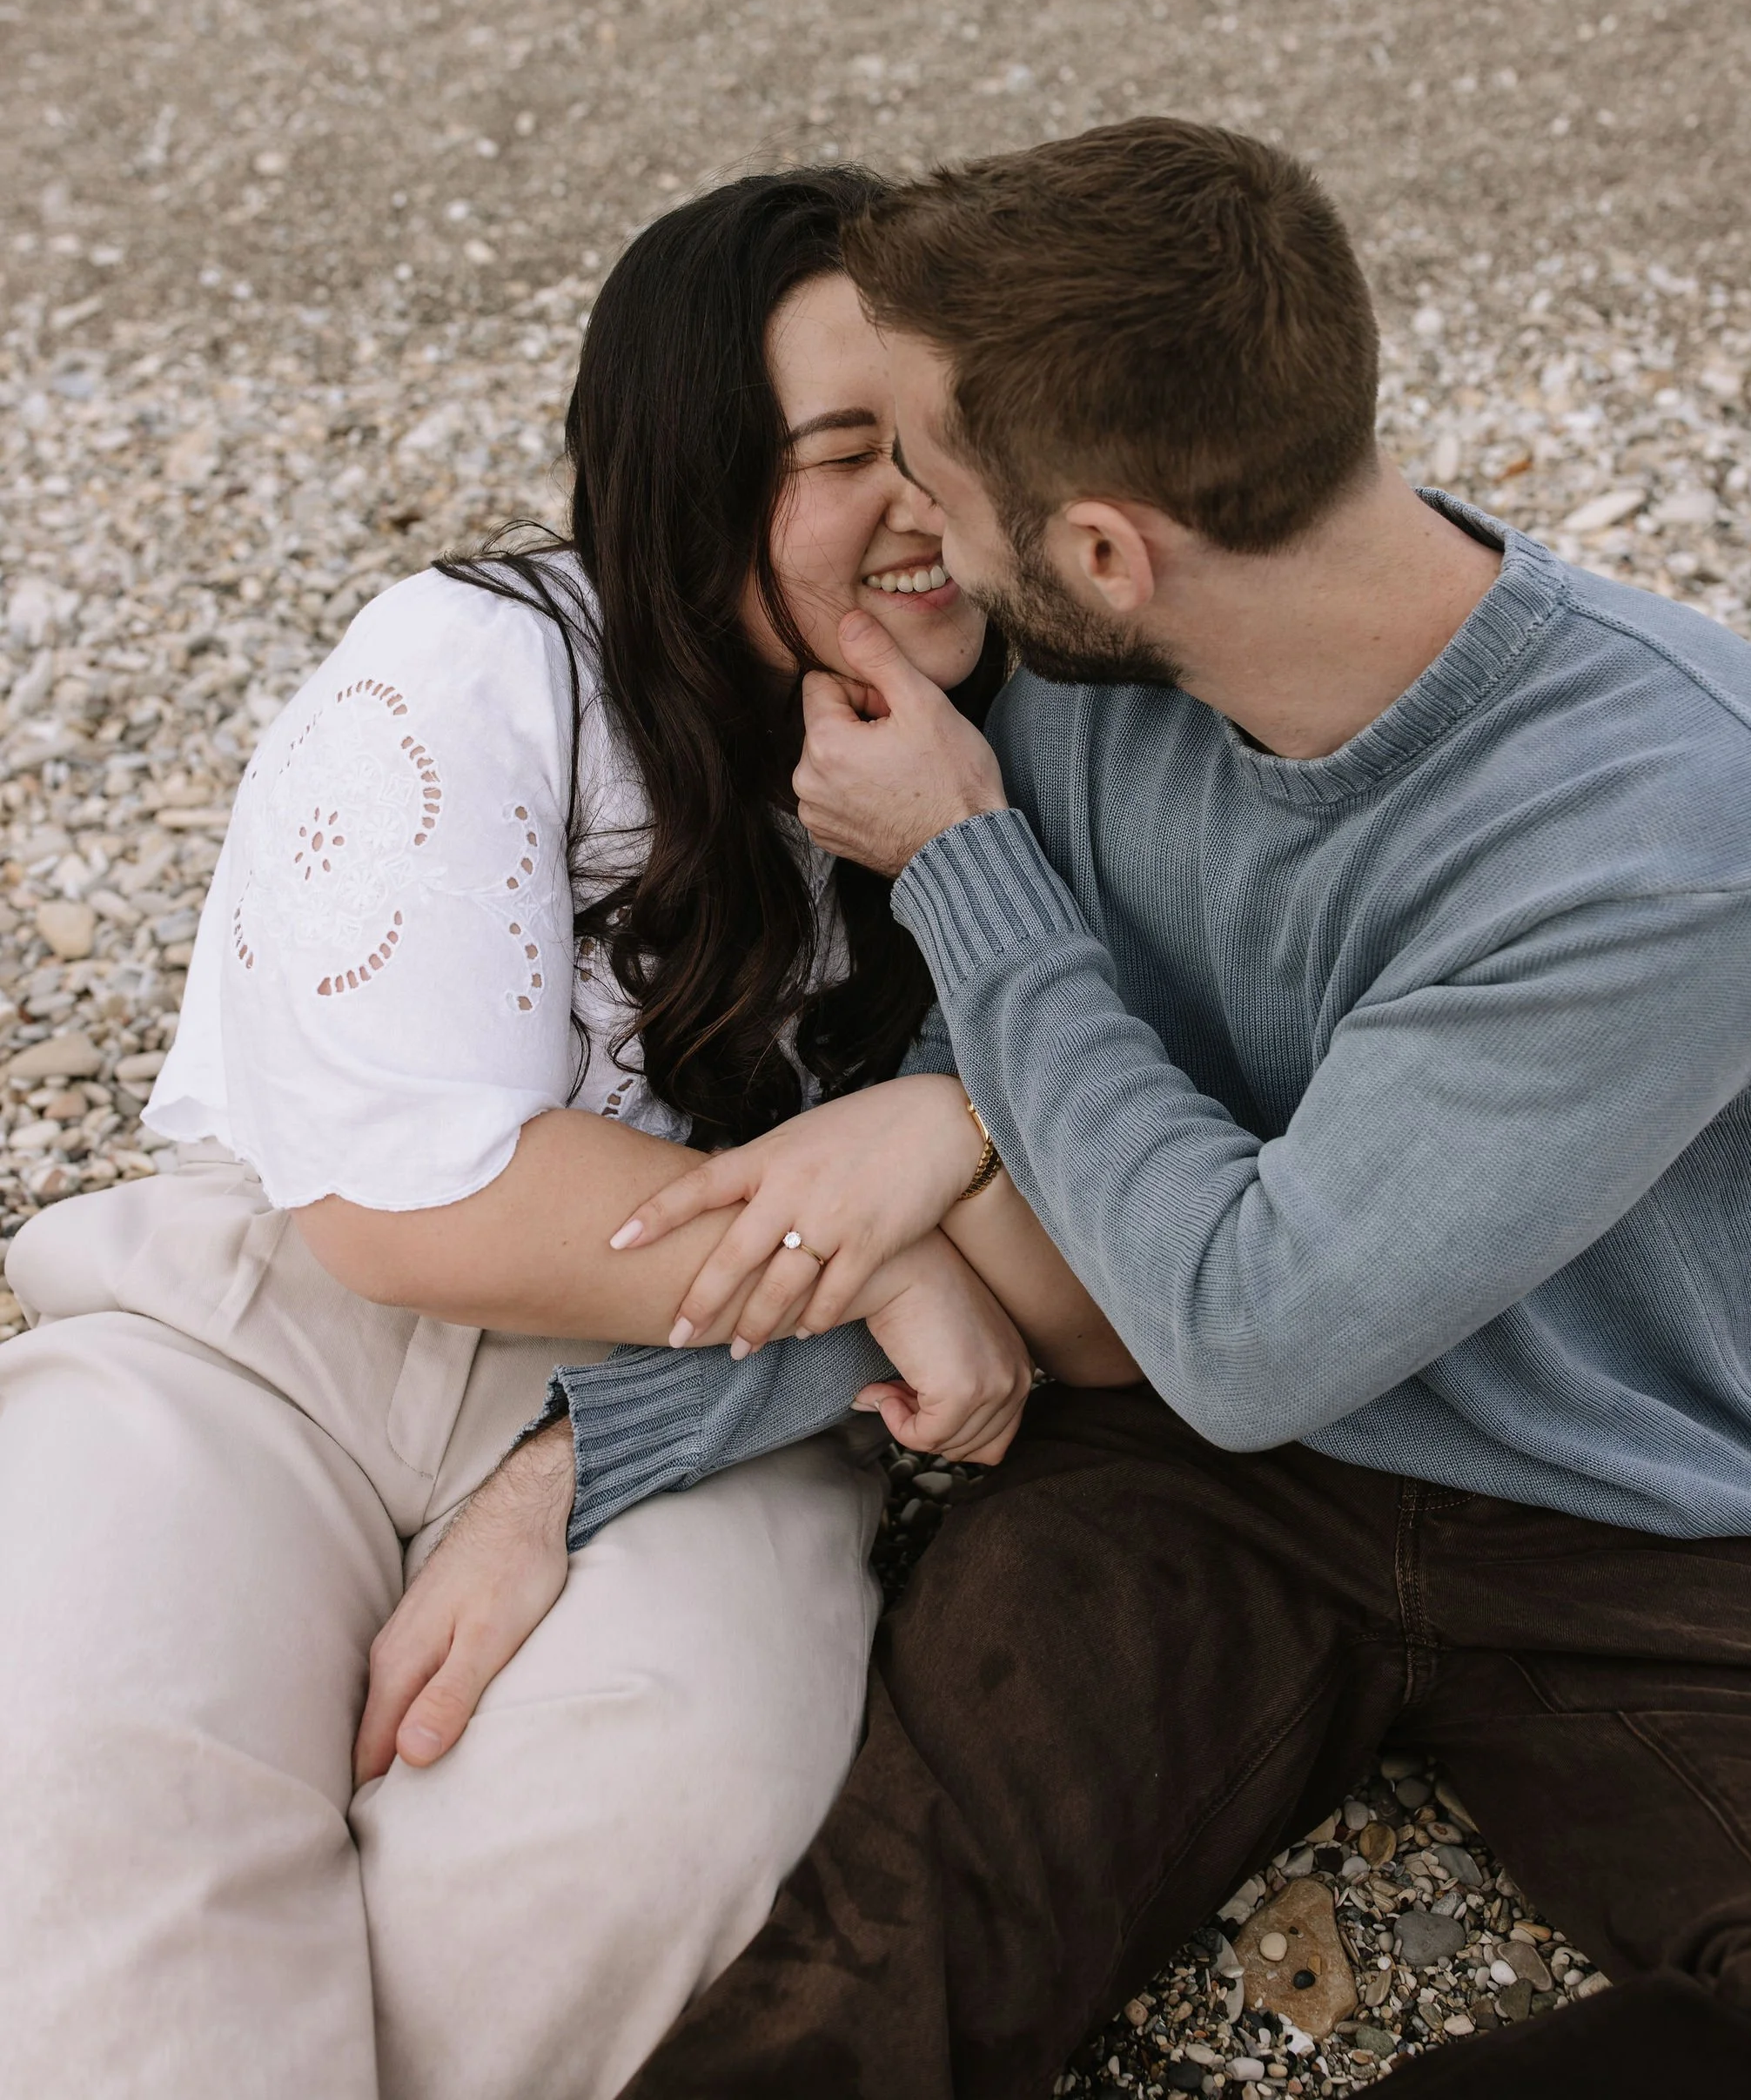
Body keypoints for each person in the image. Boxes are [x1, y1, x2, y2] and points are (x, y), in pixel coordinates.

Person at [424, 120, 1751, 2099]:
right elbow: (996, 1114)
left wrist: (969, 876)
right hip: (1179, 1482)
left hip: (1643, 1520)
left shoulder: (1666, 842)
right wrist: (582, 1455)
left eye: (936, 479)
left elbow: (1248, 1319)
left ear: (1101, 549)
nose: (912, 531)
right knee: (864, 1985)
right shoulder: (1072, 676)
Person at [0, 165, 1130, 2100]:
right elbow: (409, 1195)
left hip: (717, 1405)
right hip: (265, 1348)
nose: (926, 511)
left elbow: (1123, 1265)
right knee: (98, 1806)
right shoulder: (478, 660)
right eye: (843, 453)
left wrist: (950, 1029)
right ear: (689, 480)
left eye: (943, 441)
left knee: (627, 1857)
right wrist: (910, 1241)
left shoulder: (1056, 735)